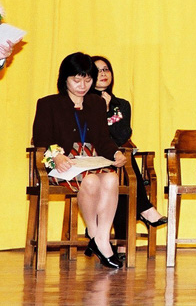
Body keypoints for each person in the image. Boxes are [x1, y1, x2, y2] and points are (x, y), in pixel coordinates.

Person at [32, 52, 127, 268]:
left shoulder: (96, 103)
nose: (82, 86)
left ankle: (101, 237)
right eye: (76, 80)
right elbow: (41, 139)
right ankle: (95, 235)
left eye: (87, 80)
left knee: (111, 178)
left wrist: (115, 154)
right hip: (62, 163)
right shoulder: (48, 104)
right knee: (91, 181)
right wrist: (56, 155)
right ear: (64, 79)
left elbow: (102, 139)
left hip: (91, 161)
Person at [90, 55, 167, 255]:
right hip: (92, 158)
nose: (103, 74)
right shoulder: (83, 103)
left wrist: (109, 110)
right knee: (123, 164)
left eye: (106, 69)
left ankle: (121, 245)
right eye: (98, 70)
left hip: (116, 160)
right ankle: (145, 208)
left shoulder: (121, 105)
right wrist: (102, 110)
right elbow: (94, 136)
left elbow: (123, 135)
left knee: (122, 167)